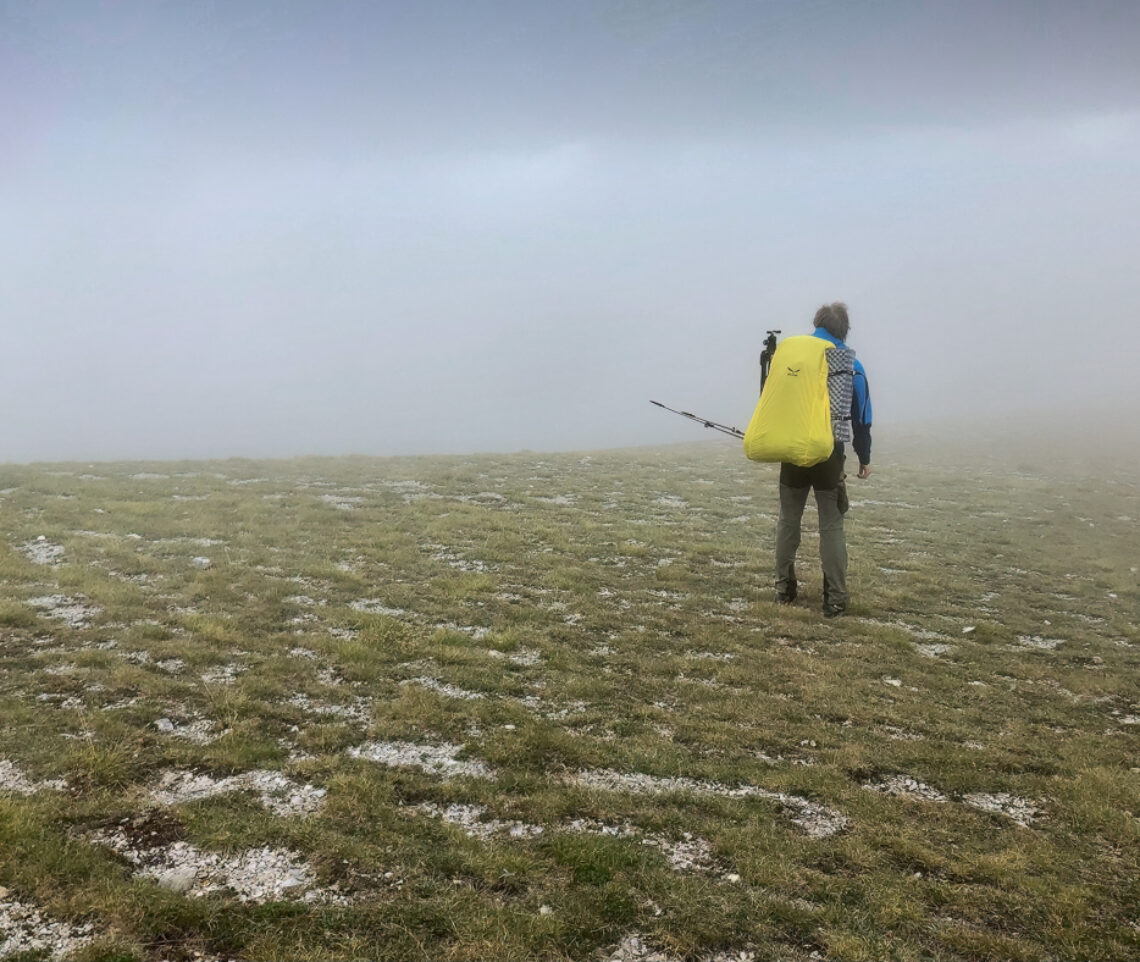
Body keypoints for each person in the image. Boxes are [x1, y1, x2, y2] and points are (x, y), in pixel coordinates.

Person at [774, 302, 873, 617]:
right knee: (831, 526)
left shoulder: (796, 358)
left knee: (788, 520)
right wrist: (864, 456)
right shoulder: (850, 364)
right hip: (829, 453)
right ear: (843, 330)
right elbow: (861, 416)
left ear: (816, 323)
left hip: (793, 450)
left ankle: (783, 590)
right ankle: (835, 599)